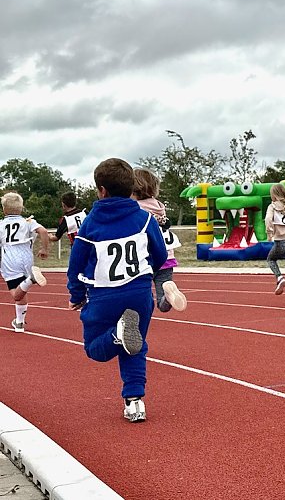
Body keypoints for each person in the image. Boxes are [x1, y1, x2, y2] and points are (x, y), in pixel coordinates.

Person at [66, 158, 168, 423]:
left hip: (103, 295)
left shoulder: (89, 225)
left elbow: (76, 262)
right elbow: (160, 256)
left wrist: (76, 295)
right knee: (134, 347)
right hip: (139, 292)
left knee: (94, 349)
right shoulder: (145, 219)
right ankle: (135, 402)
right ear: (131, 186)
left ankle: (116, 335)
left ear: (101, 190)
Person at [132, 168, 188, 313]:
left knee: (138, 293)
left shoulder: (136, 208)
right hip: (167, 257)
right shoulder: (159, 206)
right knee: (162, 302)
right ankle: (167, 298)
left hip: (148, 258)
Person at [1, 193, 50, 332]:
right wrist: (44, 249)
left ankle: (31, 280)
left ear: (4, 209)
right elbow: (43, 231)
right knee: (21, 293)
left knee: (16, 294)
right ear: (21, 208)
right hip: (27, 258)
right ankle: (19, 323)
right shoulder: (28, 222)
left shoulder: (1, 225)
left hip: (10, 260)